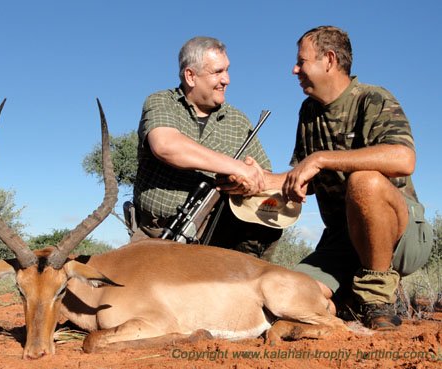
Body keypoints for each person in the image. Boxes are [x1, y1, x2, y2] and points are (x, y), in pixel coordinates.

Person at [220, 26, 433, 329]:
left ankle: (378, 298)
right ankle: (346, 298)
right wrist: (253, 179)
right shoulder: (309, 111)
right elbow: (298, 178)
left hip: (404, 236)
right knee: (290, 295)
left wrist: (319, 158)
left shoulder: (373, 98)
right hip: (343, 240)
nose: (295, 70)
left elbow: (404, 158)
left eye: (301, 61)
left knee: (365, 182)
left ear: (329, 60)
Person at [130, 36, 282, 257]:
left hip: (214, 241)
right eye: (217, 72)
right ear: (190, 76)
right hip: (154, 235)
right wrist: (237, 167)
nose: (227, 79)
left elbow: (262, 173)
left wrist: (246, 183)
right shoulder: (161, 102)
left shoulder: (238, 121)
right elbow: (165, 146)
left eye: (227, 70)